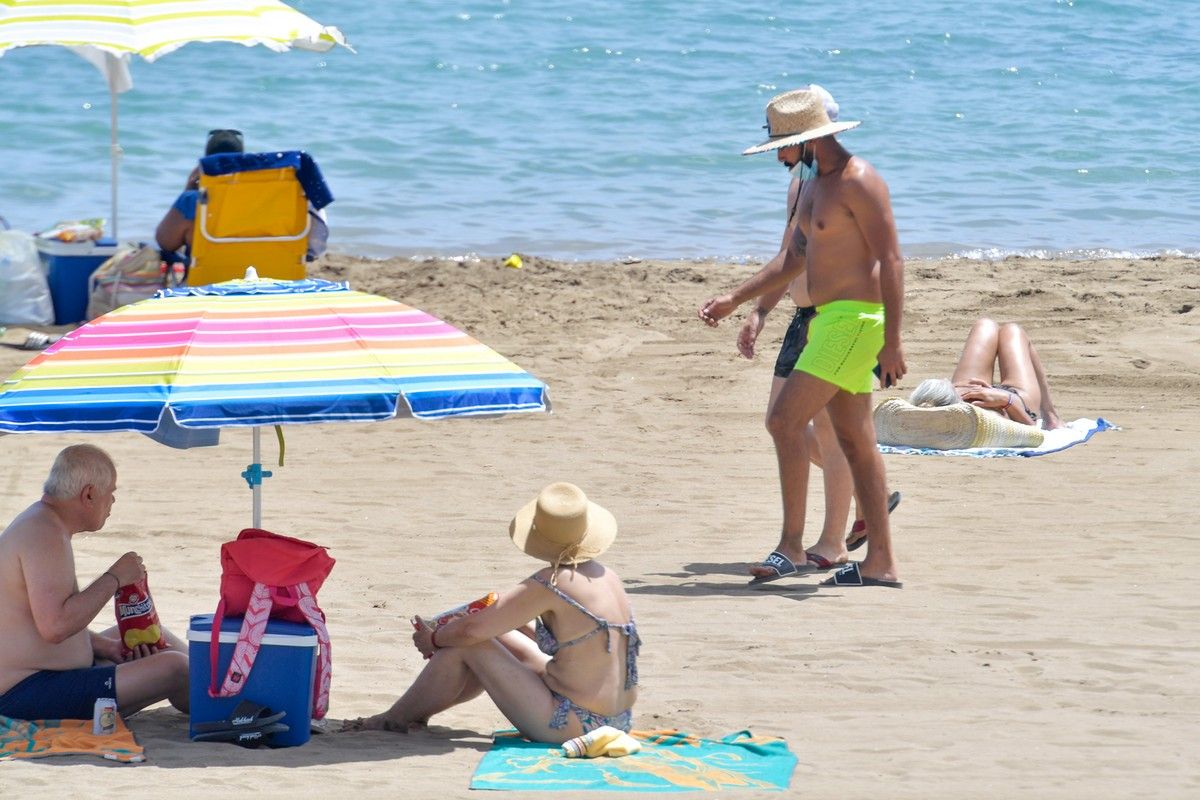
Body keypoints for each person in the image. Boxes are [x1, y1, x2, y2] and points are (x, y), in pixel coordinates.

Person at [698, 86, 904, 588]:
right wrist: (738, 300)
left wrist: (893, 340)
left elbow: (891, 259)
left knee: (782, 421)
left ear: (810, 140)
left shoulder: (860, 181)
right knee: (856, 442)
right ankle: (880, 564)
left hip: (856, 320)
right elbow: (792, 260)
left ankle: (791, 546)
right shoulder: (812, 187)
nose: (780, 158)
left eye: (783, 148)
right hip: (826, 320)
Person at [343, 482, 639, 741]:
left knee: (468, 643)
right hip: (617, 720)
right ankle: (414, 714)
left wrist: (433, 640)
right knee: (492, 634)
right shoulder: (605, 576)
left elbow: (472, 631)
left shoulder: (551, 583)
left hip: (573, 723)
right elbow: (576, 644)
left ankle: (394, 718)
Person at [0, 445, 189, 720]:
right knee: (175, 668)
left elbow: (34, 621)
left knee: (157, 637)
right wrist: (114, 578)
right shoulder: (44, 534)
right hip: (27, 692)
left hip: (46, 675)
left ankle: (218, 689)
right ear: (89, 494)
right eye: (111, 493)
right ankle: (222, 707)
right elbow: (55, 626)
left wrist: (107, 646)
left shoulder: (41, 522)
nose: (112, 502)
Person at [155, 129, 328, 266]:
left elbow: (165, 243)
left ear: (204, 166)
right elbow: (313, 246)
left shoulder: (193, 200)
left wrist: (189, 189)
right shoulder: (277, 198)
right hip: (274, 283)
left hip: (209, 285)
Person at [908, 317, 1066, 430]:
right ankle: (1051, 415)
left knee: (984, 325)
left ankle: (954, 391)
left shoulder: (918, 413)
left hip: (963, 394)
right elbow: (1030, 432)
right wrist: (1006, 400)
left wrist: (954, 388)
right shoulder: (983, 420)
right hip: (1013, 402)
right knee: (1013, 331)